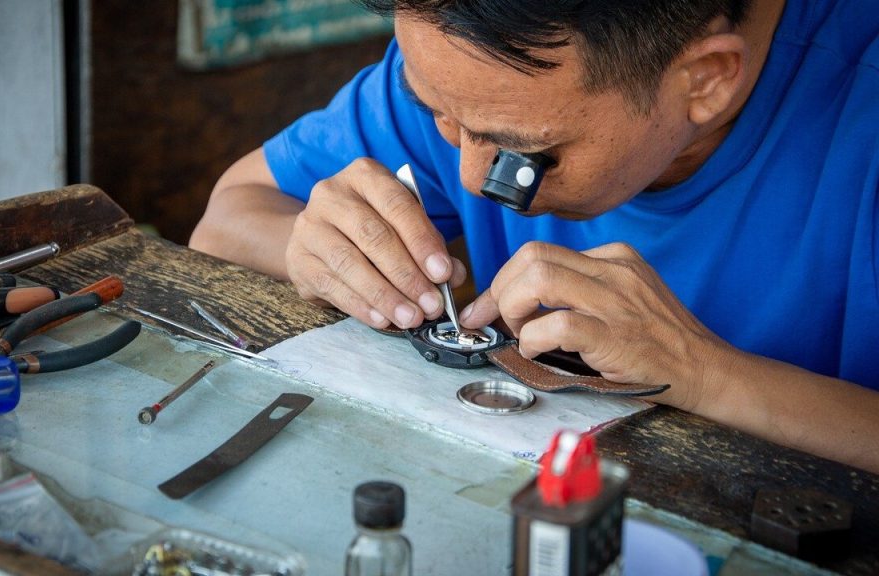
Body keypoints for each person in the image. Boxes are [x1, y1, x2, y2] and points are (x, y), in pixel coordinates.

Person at [191, 0, 879, 474]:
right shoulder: (475, 63)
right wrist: (313, 251)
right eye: (438, 117)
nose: (466, 175)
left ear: (705, 81)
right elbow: (226, 219)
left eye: (523, 154)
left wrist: (706, 374)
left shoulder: (859, 118)